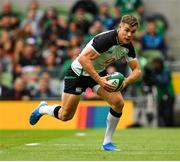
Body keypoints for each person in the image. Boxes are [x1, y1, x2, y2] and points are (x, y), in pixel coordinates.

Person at [29, 15, 142, 151]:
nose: (129, 35)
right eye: (126, 30)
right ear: (119, 27)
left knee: (118, 103)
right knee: (65, 116)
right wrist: (99, 80)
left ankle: (107, 143)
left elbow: (137, 71)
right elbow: (83, 59)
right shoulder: (106, 39)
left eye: (133, 32)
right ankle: (42, 109)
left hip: (97, 73)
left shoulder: (128, 46)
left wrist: (125, 82)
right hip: (78, 73)